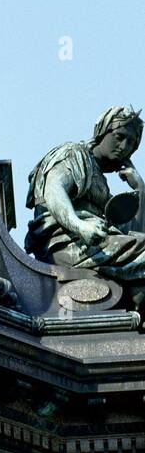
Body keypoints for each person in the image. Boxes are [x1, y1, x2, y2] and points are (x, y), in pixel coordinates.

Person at [25, 106, 145, 307]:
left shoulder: (102, 186)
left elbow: (133, 232)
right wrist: (80, 225)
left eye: (131, 143)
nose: (124, 146)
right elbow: (54, 189)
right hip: (65, 243)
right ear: (102, 132)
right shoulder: (74, 154)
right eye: (119, 136)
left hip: (93, 244)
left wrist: (140, 190)